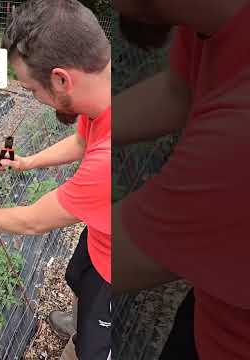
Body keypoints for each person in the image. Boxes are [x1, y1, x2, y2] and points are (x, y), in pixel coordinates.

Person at [0, 1, 111, 359]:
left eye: (31, 90)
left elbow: (34, 221)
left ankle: (93, 339)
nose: (35, 99)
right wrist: (26, 163)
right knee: (80, 278)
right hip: (104, 235)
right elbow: (81, 140)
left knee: (97, 345)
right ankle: (81, 321)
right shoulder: (105, 98)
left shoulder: (112, 161)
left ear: (60, 79)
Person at [112, 0, 250, 358]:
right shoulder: (209, 19)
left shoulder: (237, 138)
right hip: (218, 304)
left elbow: (112, 255)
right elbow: (177, 91)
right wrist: (87, 132)